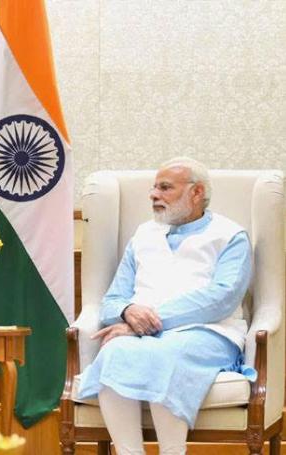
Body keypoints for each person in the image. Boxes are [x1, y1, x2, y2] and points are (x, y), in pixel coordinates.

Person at [77, 157, 252, 455]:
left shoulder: (231, 236)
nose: (153, 195)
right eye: (154, 188)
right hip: (140, 333)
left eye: (165, 188)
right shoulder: (143, 235)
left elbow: (221, 299)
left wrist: (148, 322)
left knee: (164, 351)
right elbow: (112, 301)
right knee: (114, 351)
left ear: (196, 193)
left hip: (210, 333)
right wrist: (127, 313)